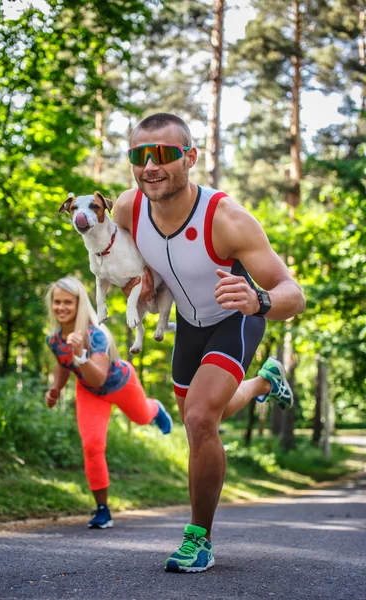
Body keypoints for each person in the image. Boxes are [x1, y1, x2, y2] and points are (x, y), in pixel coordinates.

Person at [113, 113, 306, 572]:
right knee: (200, 416)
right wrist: (132, 285)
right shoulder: (127, 208)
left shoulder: (226, 218)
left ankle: (198, 538)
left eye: (163, 154)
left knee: (200, 418)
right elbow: (121, 258)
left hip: (236, 318)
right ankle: (262, 383)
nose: (150, 166)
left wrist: (258, 301)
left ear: (191, 158)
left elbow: (292, 294)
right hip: (187, 323)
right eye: (140, 155)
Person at [44, 275, 173, 529]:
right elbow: (63, 362)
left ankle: (155, 407)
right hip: (90, 392)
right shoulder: (54, 339)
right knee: (92, 446)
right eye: (57, 302)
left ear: (79, 304)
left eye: (67, 302)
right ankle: (102, 508)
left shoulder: (96, 336)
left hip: (121, 383)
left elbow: (99, 376)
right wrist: (56, 389)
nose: (61, 307)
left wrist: (80, 353)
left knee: (142, 418)